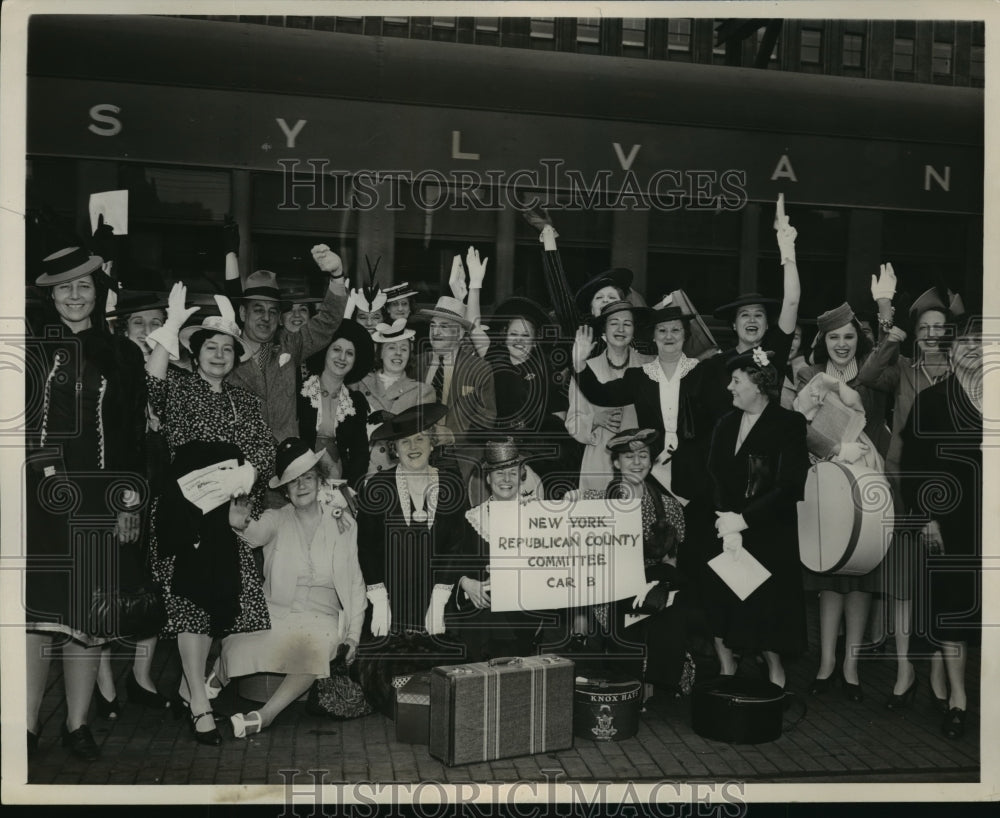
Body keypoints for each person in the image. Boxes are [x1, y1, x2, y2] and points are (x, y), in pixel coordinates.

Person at [25, 247, 147, 761]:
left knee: (88, 618)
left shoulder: (122, 355)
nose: (75, 297)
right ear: (50, 295)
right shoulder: (30, 348)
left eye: (84, 288)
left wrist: (129, 502)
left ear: (98, 295)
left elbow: (133, 437)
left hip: (99, 501)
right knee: (37, 616)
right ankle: (26, 726)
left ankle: (77, 724)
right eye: (64, 288)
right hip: (37, 499)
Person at [144, 283, 275, 743]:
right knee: (189, 606)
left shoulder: (247, 403)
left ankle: (189, 685)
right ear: (195, 353)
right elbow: (151, 384)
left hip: (226, 516)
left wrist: (245, 495)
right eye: (209, 347)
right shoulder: (178, 390)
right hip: (183, 514)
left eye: (226, 348)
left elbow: (263, 452)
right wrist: (172, 326)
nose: (218, 354)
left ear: (236, 356)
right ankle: (200, 704)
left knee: (221, 606)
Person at [214, 438, 367, 737]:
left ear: (319, 479)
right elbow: (255, 533)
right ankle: (216, 679)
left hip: (323, 615)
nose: (301, 486)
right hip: (277, 610)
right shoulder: (277, 518)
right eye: (292, 482)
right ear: (285, 490)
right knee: (235, 645)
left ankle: (265, 716)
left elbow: (355, 582)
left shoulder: (343, 522)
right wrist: (239, 523)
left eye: (307, 478)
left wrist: (353, 635)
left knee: (319, 648)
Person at [856, 274, 957, 706]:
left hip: (952, 497)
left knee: (942, 592)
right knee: (901, 588)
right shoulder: (904, 372)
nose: (933, 336)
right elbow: (868, 373)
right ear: (915, 336)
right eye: (924, 330)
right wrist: (888, 324)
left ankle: (936, 673)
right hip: (904, 489)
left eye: (940, 328)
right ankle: (903, 671)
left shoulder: (964, 376)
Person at [793, 302, 886, 701]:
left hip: (869, 481)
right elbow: (798, 426)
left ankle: (851, 666)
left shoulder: (871, 374)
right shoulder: (811, 375)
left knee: (861, 577)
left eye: (849, 336)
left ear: (858, 339)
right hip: (828, 480)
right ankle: (827, 662)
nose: (842, 344)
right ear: (823, 341)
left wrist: (886, 309)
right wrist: (831, 451)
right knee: (829, 578)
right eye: (834, 337)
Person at [353, 403, 468, 712]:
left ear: (432, 442)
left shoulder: (453, 484)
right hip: (392, 601)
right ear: (394, 449)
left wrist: (440, 600)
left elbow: (456, 547)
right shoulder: (376, 487)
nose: (413, 447)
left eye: (420, 439)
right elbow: (368, 549)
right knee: (386, 678)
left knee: (455, 674)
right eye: (405, 442)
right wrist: (379, 601)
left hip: (436, 599)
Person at [706, 349, 810, 689]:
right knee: (723, 607)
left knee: (767, 612)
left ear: (758, 385)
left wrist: (745, 520)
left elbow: (790, 485)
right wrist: (726, 520)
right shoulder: (726, 423)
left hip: (769, 533)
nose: (730, 388)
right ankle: (726, 672)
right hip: (727, 532)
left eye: (737, 381)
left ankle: (776, 675)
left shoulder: (788, 424)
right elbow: (715, 474)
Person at [900, 318, 982, 739]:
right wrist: (927, 518)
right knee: (952, 615)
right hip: (949, 526)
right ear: (950, 353)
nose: (973, 354)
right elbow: (914, 467)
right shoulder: (932, 401)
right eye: (965, 347)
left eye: (980, 348)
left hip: (990, 526)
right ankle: (957, 700)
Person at [94, 291, 174, 718]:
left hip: (160, 492)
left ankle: (141, 677)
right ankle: (103, 683)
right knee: (111, 586)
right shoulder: (110, 370)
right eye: (138, 323)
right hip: (121, 493)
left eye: (155, 322)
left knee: (152, 585)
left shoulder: (172, 372)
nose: (147, 331)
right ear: (122, 329)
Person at [582, 429, 693, 697]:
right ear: (616, 463)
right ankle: (631, 682)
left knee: (672, 610)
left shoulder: (669, 506)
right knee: (622, 610)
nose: (637, 462)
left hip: (652, 586)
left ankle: (655, 679)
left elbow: (672, 561)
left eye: (643, 455)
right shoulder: (595, 503)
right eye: (629, 456)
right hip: (609, 586)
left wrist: (663, 590)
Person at [223, 242, 348, 444]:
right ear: (243, 313)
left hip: (286, 461)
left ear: (280, 317)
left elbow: (327, 322)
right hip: (240, 463)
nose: (266, 317)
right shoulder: (225, 353)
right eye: (258, 310)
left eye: (273, 311)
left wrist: (337, 276)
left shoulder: (288, 345)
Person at [703, 195, 801, 423]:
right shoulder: (715, 365)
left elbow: (792, 300)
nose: (752, 320)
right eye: (744, 315)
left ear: (767, 325)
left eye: (759, 315)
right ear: (734, 324)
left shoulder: (773, 353)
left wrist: (787, 250)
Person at [451, 439, 546, 660]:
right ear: (488, 478)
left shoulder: (540, 517)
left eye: (512, 473)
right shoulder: (471, 519)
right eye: (499, 473)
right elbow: (453, 564)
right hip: (479, 622)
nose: (506, 480)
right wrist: (466, 582)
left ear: (521, 477)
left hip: (523, 621)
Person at [566, 300, 654, 492]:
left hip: (639, 461)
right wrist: (594, 419)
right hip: (600, 459)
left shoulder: (650, 366)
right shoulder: (585, 368)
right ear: (604, 329)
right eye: (614, 323)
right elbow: (572, 422)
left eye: (627, 323)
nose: (620, 329)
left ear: (634, 330)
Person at [414, 295, 497, 480]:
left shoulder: (479, 368)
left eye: (444, 326)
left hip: (459, 459)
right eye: (433, 325)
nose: (436, 332)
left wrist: (453, 434)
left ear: (460, 334)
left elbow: (488, 419)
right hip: (417, 456)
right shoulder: (417, 364)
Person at [300, 319, 374, 485]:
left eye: (349, 353)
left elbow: (359, 452)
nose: (342, 357)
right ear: (325, 351)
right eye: (337, 349)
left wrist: (352, 488)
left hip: (338, 477)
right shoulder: (301, 391)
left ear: (355, 361)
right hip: (301, 474)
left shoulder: (355, 402)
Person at [351, 319, 435, 416]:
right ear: (380, 353)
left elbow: (423, 429)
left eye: (404, 349)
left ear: (409, 356)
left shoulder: (423, 391)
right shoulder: (358, 383)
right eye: (392, 347)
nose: (398, 353)